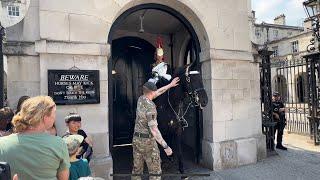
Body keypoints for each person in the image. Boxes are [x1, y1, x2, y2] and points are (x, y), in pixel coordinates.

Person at [0, 96, 70, 180]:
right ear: (44, 118)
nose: (55, 117)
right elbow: (63, 178)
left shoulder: (2, 143)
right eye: (54, 113)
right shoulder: (58, 143)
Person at [132, 78, 179, 180]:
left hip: (136, 140)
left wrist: (170, 85)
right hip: (148, 142)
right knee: (155, 172)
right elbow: (154, 130)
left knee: (137, 171)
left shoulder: (141, 99)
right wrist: (166, 146)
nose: (156, 93)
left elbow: (157, 92)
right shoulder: (150, 107)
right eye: (154, 92)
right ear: (152, 92)